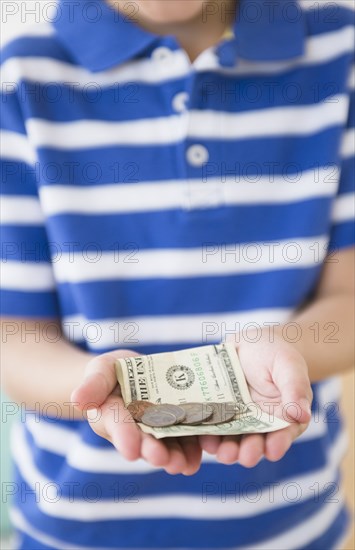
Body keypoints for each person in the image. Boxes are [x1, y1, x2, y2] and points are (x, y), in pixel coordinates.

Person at [1, 0, 354, 548]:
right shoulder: (23, 77)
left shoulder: (340, 53)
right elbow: (13, 335)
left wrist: (283, 348)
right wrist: (95, 390)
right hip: (75, 526)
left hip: (291, 521)